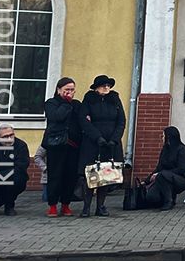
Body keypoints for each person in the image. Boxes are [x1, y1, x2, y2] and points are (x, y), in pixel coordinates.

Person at [79, 74, 126, 217]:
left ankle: (101, 206)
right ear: (96, 88)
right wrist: (97, 137)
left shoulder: (115, 99)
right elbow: (84, 120)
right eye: (103, 85)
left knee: (106, 175)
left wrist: (115, 139)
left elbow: (121, 121)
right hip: (93, 143)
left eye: (108, 85)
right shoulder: (89, 99)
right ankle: (86, 207)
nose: (106, 88)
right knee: (90, 174)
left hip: (111, 143)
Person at [42, 77, 82, 217]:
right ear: (59, 90)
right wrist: (66, 103)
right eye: (66, 90)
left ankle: (66, 204)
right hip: (56, 145)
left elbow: (81, 120)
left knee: (70, 176)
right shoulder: (51, 103)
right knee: (55, 175)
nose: (69, 92)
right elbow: (57, 117)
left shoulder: (76, 104)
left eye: (72, 90)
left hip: (73, 146)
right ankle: (52, 205)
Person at [147, 127, 185, 210]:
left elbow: (182, 169)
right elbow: (159, 167)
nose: (162, 138)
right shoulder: (165, 149)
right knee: (151, 197)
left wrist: (161, 173)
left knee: (162, 175)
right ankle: (163, 199)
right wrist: (146, 180)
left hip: (182, 178)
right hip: (165, 176)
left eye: (164, 136)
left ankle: (169, 201)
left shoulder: (182, 150)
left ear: (169, 137)